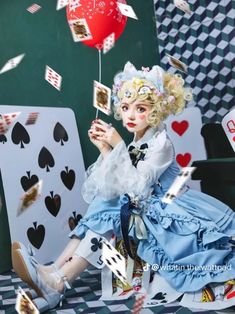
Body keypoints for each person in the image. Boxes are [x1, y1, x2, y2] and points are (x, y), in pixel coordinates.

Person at [12, 62, 235, 312]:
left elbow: (138, 188)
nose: (130, 115)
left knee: (113, 207)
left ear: (155, 111)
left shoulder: (161, 143)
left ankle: (59, 281)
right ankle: (55, 272)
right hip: (142, 204)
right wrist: (106, 150)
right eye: (126, 107)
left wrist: (117, 145)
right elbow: (111, 184)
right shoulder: (133, 143)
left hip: (169, 207)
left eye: (140, 108)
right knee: (104, 202)